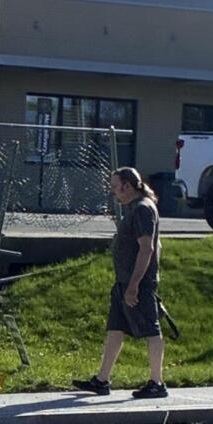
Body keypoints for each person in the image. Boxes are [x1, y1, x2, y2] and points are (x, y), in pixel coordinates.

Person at [73, 166, 168, 399]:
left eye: (116, 186)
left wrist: (135, 284)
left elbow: (147, 248)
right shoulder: (134, 208)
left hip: (137, 284)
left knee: (151, 330)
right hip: (123, 282)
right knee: (115, 329)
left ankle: (157, 383)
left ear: (127, 185)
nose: (113, 191)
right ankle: (101, 380)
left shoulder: (143, 209)